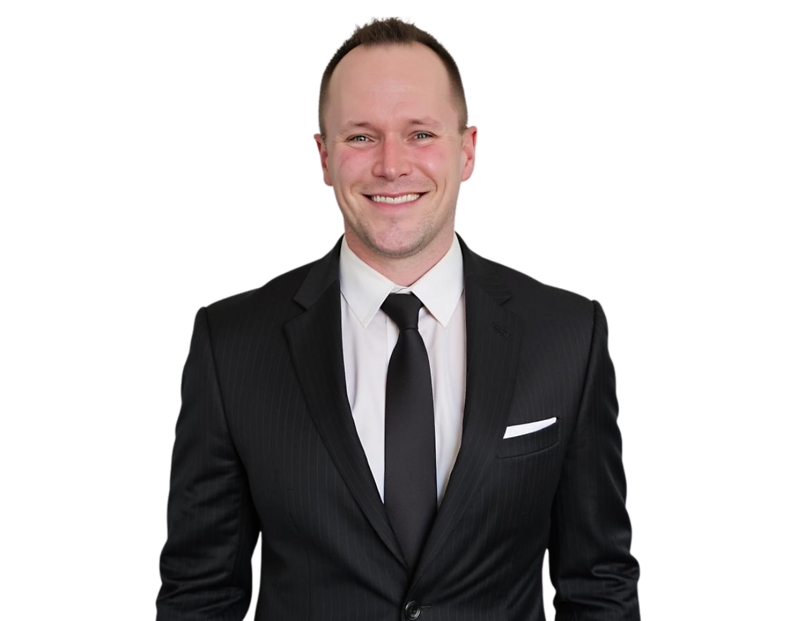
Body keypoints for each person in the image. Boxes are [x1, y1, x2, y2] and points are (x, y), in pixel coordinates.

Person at [156, 16, 641, 621]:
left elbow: (598, 582)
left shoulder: (570, 332)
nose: (391, 165)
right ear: (322, 157)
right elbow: (199, 596)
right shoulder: (231, 343)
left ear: (468, 151)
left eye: (419, 134)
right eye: (361, 137)